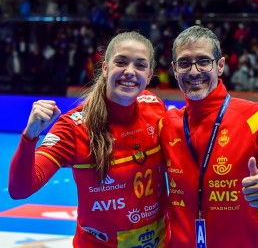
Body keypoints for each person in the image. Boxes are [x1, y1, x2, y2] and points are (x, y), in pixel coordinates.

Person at [158, 25, 258, 248]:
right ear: (175, 69)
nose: (194, 72)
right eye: (184, 63)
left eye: (204, 61)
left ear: (220, 65)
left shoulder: (254, 116)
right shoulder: (167, 124)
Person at [8, 31, 169, 248]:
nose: (130, 72)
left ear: (149, 75)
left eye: (140, 65)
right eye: (121, 62)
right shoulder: (72, 127)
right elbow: (20, 189)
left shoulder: (155, 106)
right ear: (105, 68)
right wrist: (29, 137)